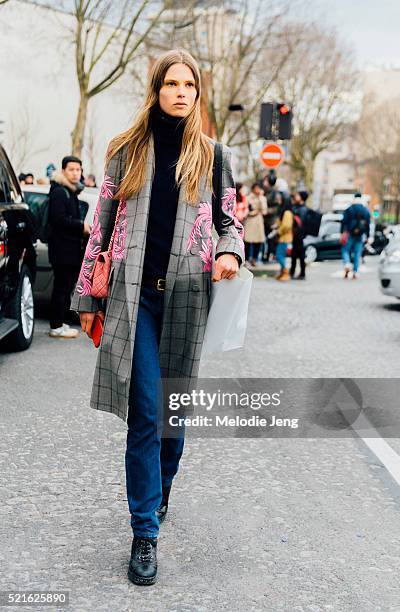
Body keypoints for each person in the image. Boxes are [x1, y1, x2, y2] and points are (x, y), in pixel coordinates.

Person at [70, 48, 244, 586]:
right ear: (156, 88)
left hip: (189, 298)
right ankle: (144, 531)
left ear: (197, 93)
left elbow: (229, 219)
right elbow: (100, 227)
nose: (181, 92)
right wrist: (85, 297)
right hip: (133, 299)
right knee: (146, 411)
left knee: (173, 417)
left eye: (189, 85)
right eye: (171, 83)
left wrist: (229, 251)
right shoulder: (126, 150)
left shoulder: (214, 156)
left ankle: (162, 489)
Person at [48, 156, 90, 338]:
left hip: (70, 250)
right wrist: (81, 226)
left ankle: (60, 323)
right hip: (62, 251)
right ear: (63, 170)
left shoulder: (70, 191)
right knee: (61, 288)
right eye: (71, 169)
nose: (75, 173)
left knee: (65, 289)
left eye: (78, 170)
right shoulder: (59, 192)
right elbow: (58, 220)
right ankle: (56, 326)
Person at [341, 192, 371, 279]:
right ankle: (355, 272)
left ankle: (347, 263)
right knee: (357, 253)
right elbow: (368, 225)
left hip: (349, 233)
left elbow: (344, 222)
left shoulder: (349, 209)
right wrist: (368, 236)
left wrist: (342, 232)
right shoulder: (365, 210)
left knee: (345, 250)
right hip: (360, 234)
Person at [244, 182, 267, 265]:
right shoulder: (248, 198)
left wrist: (260, 198)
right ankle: (246, 259)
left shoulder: (263, 198)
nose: (257, 190)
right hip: (250, 221)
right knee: (247, 241)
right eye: (256, 188)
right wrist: (254, 212)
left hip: (258, 221)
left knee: (258, 241)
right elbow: (246, 209)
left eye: (259, 188)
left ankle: (254, 259)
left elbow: (264, 211)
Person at [290, 190, 308, 280]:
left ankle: (302, 273)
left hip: (299, 236)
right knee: (294, 255)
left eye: (297, 196)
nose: (295, 197)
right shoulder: (297, 207)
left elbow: (300, 223)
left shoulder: (303, 209)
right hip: (296, 235)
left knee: (300, 256)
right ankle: (293, 272)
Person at [274, 199, 293, 281]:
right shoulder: (284, 212)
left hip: (285, 238)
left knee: (279, 255)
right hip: (282, 238)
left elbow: (286, 226)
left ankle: (286, 273)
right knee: (281, 255)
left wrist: (278, 231)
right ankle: (282, 272)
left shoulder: (287, 213)